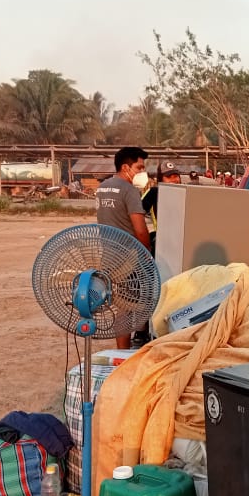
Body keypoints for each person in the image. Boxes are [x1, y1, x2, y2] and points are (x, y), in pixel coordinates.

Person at [96, 146, 152, 350]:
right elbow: (140, 229)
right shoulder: (129, 190)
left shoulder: (103, 187)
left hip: (108, 255)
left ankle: (122, 349)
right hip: (129, 257)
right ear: (126, 167)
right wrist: (147, 255)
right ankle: (124, 352)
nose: (142, 172)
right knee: (130, 306)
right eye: (140, 167)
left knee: (120, 305)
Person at [141, 161, 182, 245]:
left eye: (176, 176)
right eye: (168, 177)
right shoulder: (154, 192)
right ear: (160, 179)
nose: (174, 180)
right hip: (162, 241)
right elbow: (137, 212)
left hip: (183, 239)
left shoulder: (187, 192)